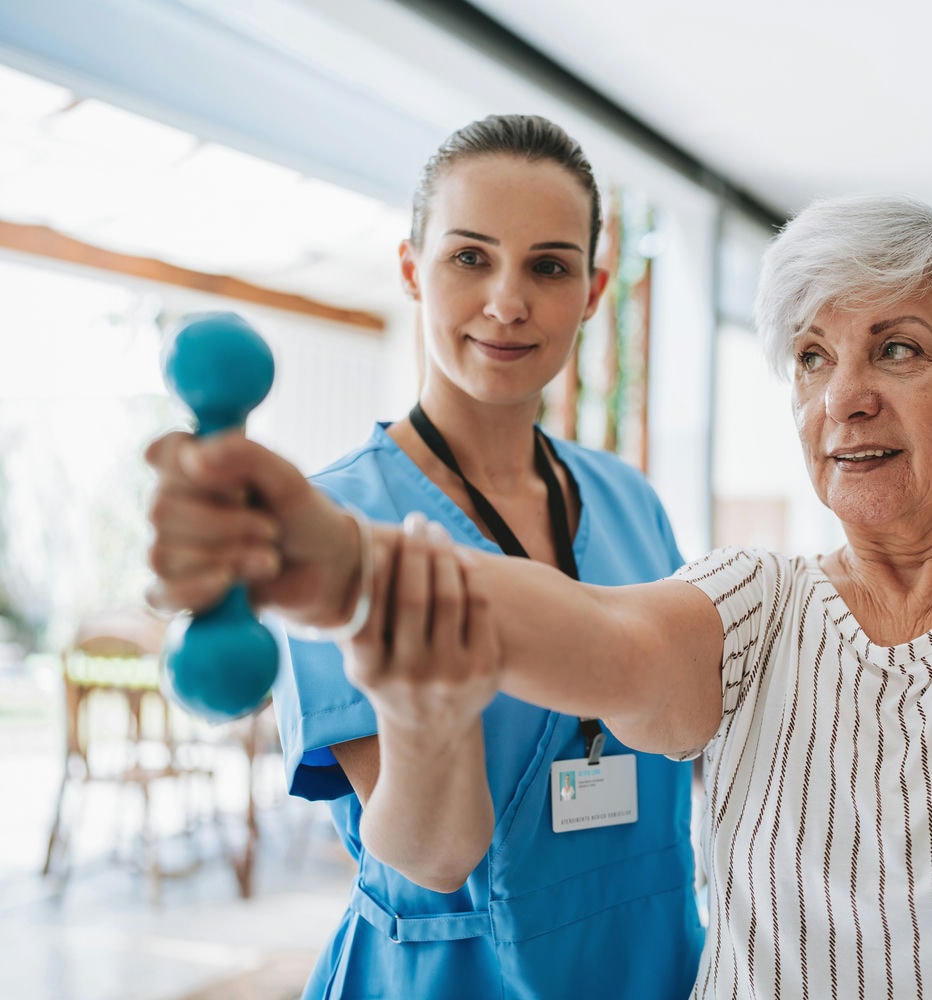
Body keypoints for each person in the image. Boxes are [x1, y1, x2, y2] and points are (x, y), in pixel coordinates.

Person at [146, 194, 932, 998]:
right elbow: (598, 634)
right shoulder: (753, 600)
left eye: (898, 348)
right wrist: (337, 558)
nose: (844, 396)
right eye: (811, 357)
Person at [158, 114, 704, 998]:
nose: (508, 301)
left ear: (594, 291)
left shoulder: (630, 501)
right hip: (446, 974)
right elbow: (434, 855)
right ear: (412, 269)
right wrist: (426, 711)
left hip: (647, 962)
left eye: (549, 266)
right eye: (469, 257)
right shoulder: (335, 523)